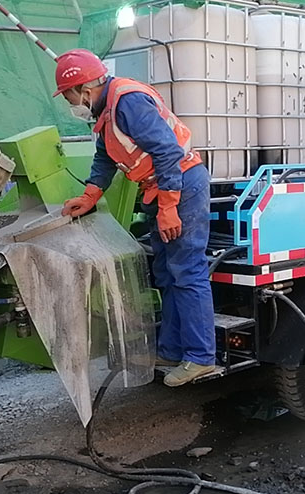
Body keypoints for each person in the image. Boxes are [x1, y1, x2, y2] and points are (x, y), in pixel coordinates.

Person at [55, 49, 216, 387]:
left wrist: (170, 206)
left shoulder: (128, 101)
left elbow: (167, 150)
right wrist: (90, 196)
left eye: (68, 94)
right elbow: (105, 157)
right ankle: (172, 349)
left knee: (187, 271)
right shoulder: (107, 112)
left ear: (83, 88)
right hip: (159, 189)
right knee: (166, 273)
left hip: (181, 185)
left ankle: (200, 358)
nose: (70, 102)